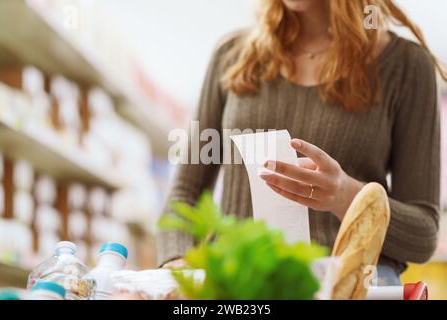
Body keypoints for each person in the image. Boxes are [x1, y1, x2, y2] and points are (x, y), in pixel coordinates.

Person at [158, 0, 445, 285]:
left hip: (349, 287)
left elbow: (422, 235)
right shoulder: (231, 55)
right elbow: (185, 195)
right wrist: (178, 267)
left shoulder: (406, 66)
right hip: (240, 287)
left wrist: (347, 197)